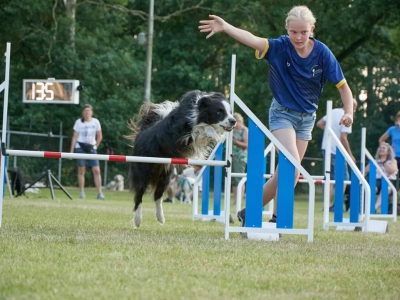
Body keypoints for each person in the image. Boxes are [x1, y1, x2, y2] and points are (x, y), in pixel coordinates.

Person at [199, 6, 354, 232]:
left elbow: (344, 87)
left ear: (312, 29)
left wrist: (348, 112)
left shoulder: (322, 53)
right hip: (282, 113)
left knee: (289, 174)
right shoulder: (279, 47)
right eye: (294, 32)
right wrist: (226, 27)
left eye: (303, 32)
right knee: (292, 164)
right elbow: (252, 39)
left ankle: (251, 211)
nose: (298, 37)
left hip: (307, 118)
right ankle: (273, 218)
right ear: (287, 29)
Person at [316, 100, 358, 212]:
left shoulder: (334, 111)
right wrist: (350, 155)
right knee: (343, 178)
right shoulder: (348, 118)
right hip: (337, 150)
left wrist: (331, 132)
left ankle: (327, 205)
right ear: (352, 108)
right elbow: (343, 138)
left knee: (329, 178)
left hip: (326, 147)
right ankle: (337, 205)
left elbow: (319, 123)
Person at [70, 104, 105, 200]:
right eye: (85, 110)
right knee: (81, 170)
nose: (87, 112)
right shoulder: (78, 122)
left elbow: (100, 136)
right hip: (80, 147)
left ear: (91, 112)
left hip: (91, 148)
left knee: (96, 170)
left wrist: (95, 147)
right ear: (83, 112)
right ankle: (82, 192)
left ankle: (100, 193)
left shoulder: (95, 122)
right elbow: (74, 137)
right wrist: (71, 151)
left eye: (89, 110)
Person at [364, 143, 397, 213]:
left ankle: (374, 208)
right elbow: (364, 171)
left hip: (389, 181)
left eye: (383, 148)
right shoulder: (374, 161)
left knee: (386, 189)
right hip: (376, 180)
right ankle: (368, 207)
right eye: (380, 148)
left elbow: (391, 171)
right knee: (371, 188)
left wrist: (384, 162)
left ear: (388, 152)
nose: (381, 149)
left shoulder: (393, 161)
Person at [231, 113, 248, 206]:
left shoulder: (245, 130)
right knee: (233, 180)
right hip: (232, 157)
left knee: (239, 180)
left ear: (240, 121)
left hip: (240, 158)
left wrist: (235, 141)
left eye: (236, 122)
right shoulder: (232, 130)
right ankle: (235, 201)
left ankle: (239, 200)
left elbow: (246, 145)